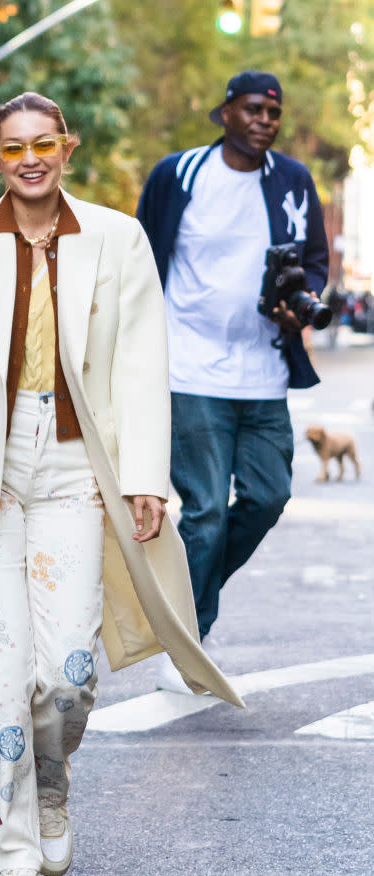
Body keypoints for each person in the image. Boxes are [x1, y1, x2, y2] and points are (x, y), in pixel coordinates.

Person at [0, 92, 242, 876]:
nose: (29, 158)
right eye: (13, 147)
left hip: (73, 468)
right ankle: (12, 853)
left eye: (43, 142)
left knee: (65, 676)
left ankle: (51, 778)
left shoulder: (116, 238)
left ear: (66, 148)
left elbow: (138, 360)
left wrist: (141, 478)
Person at [136, 70, 329, 689]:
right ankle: (187, 646)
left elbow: (315, 261)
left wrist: (301, 300)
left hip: (264, 370)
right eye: (252, 110)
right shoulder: (180, 175)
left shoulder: (294, 181)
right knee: (206, 513)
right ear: (224, 113)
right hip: (190, 367)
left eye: (273, 113)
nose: (264, 121)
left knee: (270, 496)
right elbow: (141, 257)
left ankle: (186, 607)